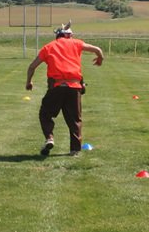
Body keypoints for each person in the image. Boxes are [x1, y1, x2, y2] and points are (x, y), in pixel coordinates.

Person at [25, 21, 104, 156]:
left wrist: (29, 82)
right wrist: (100, 59)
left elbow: (32, 66)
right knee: (75, 120)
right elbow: (97, 49)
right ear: (69, 36)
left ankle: (49, 137)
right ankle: (75, 150)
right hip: (74, 87)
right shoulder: (76, 43)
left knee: (45, 114)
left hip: (56, 86)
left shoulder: (48, 47)